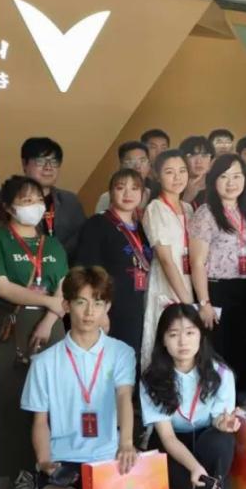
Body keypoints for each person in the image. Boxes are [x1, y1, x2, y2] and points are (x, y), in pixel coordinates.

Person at [21, 267, 137, 489]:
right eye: (81, 302)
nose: (89, 312)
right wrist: (45, 461)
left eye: (97, 303)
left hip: (109, 456)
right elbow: (40, 421)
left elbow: (124, 396)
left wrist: (126, 443)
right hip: (65, 461)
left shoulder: (121, 353)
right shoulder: (44, 362)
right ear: (66, 305)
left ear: (107, 306)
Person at [0, 175, 69, 489]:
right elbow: (1, 286)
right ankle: (20, 472)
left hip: (51, 326)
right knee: (14, 398)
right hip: (12, 326)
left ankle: (52, 469)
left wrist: (50, 318)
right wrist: (49, 303)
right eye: (26, 201)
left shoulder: (51, 243)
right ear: (8, 207)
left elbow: (64, 287)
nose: (34, 206)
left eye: (38, 200)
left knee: (54, 398)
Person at [141, 304, 241, 489]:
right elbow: (168, 437)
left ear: (200, 335)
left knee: (222, 440)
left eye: (189, 333)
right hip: (172, 443)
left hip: (204, 439)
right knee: (159, 452)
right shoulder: (152, 380)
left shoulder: (221, 373)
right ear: (163, 340)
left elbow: (218, 418)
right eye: (173, 334)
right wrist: (194, 466)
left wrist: (223, 423)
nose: (183, 342)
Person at [189, 154, 246, 383]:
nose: (231, 183)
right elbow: (197, 262)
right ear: (214, 180)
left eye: (237, 176)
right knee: (219, 348)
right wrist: (204, 302)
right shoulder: (206, 213)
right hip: (217, 289)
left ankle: (237, 397)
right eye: (224, 177)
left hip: (245, 287)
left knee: (240, 347)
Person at [76, 169, 152, 359]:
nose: (128, 194)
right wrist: (99, 311)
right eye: (121, 188)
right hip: (110, 310)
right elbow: (87, 273)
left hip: (138, 308)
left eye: (135, 188)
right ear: (110, 192)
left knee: (133, 362)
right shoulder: (97, 224)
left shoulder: (142, 227)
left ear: (142, 194)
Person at [140, 150, 195, 369]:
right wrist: (187, 302)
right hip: (166, 281)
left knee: (187, 342)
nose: (177, 177)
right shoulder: (155, 208)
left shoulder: (188, 208)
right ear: (157, 175)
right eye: (170, 172)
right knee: (166, 336)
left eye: (182, 171)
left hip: (188, 279)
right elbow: (165, 259)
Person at [21, 137, 85, 259]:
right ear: (25, 164)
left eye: (54, 161)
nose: (48, 167)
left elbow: (82, 241)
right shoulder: (3, 200)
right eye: (40, 161)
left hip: (64, 267)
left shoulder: (71, 201)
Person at [94, 141, 152, 214]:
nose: (138, 166)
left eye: (142, 160)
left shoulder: (154, 194)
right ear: (121, 165)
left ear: (149, 164)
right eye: (130, 161)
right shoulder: (107, 198)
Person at [179, 136, 215, 209]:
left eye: (204, 156)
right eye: (192, 155)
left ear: (211, 160)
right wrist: (186, 198)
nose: (199, 161)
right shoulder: (175, 185)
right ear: (183, 159)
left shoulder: (217, 185)